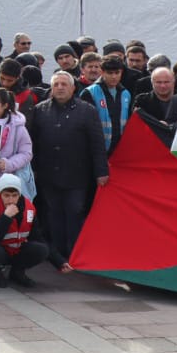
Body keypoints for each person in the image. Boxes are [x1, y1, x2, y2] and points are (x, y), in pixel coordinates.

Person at [26, 71, 107, 274]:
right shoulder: (40, 110)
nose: (60, 87)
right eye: (56, 84)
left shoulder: (87, 110)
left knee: (74, 212)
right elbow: (31, 142)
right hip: (48, 174)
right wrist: (33, 169)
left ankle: (75, 255)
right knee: (53, 214)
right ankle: (58, 256)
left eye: (64, 84)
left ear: (73, 88)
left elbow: (97, 143)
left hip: (77, 175)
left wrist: (101, 171)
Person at [0, 172, 47, 289]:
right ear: (0, 194)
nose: (11, 200)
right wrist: (5, 218)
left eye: (14, 195)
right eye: (6, 195)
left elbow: (37, 237)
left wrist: (59, 261)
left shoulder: (29, 208)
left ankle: (17, 272)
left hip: (16, 250)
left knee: (41, 249)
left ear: (19, 195)